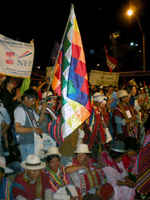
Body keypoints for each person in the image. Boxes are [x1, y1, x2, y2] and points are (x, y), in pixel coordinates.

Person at [14, 88, 46, 161]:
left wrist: (43, 110)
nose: (34, 103)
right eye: (32, 100)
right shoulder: (20, 110)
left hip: (33, 142)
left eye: (35, 100)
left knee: (33, 165)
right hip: (27, 143)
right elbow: (18, 128)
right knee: (29, 166)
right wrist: (34, 129)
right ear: (25, 98)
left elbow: (38, 121)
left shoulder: (30, 110)